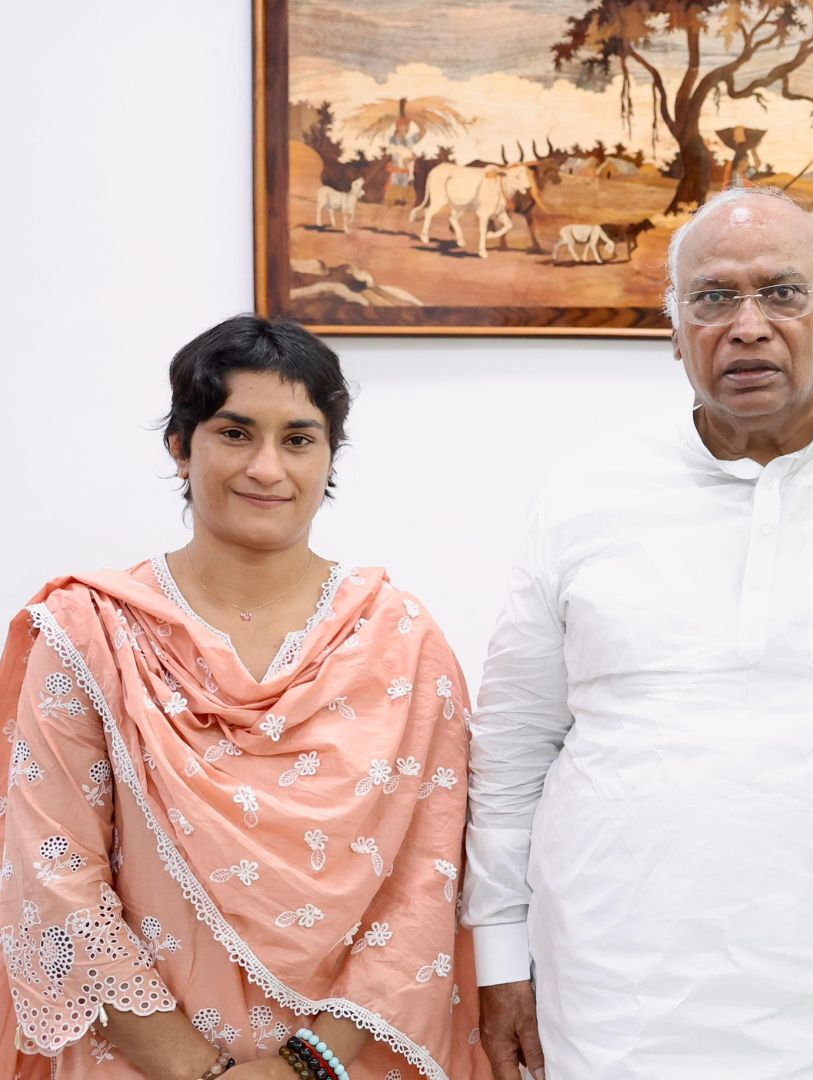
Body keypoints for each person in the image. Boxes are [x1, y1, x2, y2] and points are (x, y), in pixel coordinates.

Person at [464, 184, 813, 1080]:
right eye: (714, 298)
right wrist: (498, 965)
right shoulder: (581, 499)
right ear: (676, 332)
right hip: (620, 1006)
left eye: (782, 292)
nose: (749, 325)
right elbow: (509, 755)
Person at [0, 315, 486, 1080]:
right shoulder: (92, 632)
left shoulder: (399, 641)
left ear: (329, 457)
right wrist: (201, 1074)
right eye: (235, 433)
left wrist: (308, 1064)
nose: (267, 468)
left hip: (351, 1061)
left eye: (298, 439)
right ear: (180, 446)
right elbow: (55, 873)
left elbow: (429, 881)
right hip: (138, 1058)